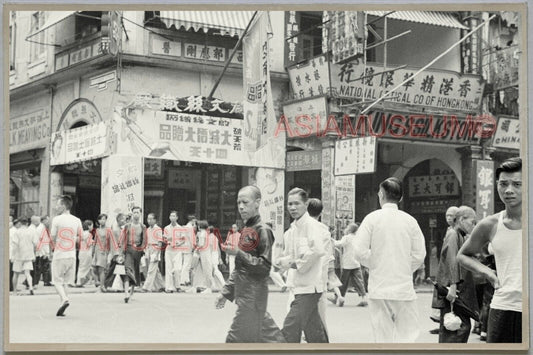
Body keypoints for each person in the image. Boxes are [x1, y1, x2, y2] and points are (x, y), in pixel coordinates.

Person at [353, 177, 426, 343]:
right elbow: (419, 254)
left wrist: (377, 263)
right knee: (407, 338)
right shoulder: (410, 221)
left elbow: (358, 251)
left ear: (381, 194)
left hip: (379, 287)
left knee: (382, 338)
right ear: (400, 198)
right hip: (404, 288)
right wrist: (404, 267)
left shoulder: (372, 218)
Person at [458, 157, 522, 343]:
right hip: (502, 307)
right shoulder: (490, 224)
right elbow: (463, 255)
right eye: (503, 184)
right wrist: (489, 273)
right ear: (496, 185)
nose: (509, 190)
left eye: (517, 184)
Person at [215, 185, 284, 343]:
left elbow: (264, 267)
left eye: (245, 202)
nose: (241, 207)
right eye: (239, 202)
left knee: (233, 341)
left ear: (257, 202)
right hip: (247, 297)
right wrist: (226, 293)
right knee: (272, 340)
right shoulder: (247, 229)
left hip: (253, 299)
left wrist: (238, 253)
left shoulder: (263, 230)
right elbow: (240, 268)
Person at [276, 188, 328, 343]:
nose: (292, 207)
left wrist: (295, 264)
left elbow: (318, 250)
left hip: (310, 288)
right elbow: (290, 255)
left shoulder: (312, 226)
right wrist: (282, 262)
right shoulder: (292, 230)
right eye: (290, 204)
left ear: (306, 204)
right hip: (297, 287)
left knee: (290, 329)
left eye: (296, 203)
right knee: (315, 334)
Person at [435, 206, 478, 343]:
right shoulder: (453, 234)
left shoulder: (459, 235)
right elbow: (452, 260)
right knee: (455, 329)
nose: (474, 225)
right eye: (472, 222)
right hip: (454, 291)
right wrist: (453, 286)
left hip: (458, 290)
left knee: (459, 328)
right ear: (461, 219)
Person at [50, 195, 83, 316]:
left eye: (58, 205)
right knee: (66, 281)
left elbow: (52, 236)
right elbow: (81, 238)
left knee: (57, 280)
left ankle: (64, 299)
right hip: (72, 254)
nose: (56, 207)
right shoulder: (77, 220)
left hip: (60, 254)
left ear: (64, 206)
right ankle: (63, 302)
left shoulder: (57, 220)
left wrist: (53, 248)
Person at [429, 206, 459, 334]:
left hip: (450, 270)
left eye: (451, 215)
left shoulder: (456, 232)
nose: (448, 218)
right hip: (444, 268)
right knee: (441, 298)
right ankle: (442, 324)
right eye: (447, 215)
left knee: (448, 299)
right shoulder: (449, 230)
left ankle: (447, 325)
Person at [332, 222, 368, 307]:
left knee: (343, 281)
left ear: (350, 229)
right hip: (356, 263)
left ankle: (340, 297)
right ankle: (364, 297)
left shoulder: (347, 237)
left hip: (347, 264)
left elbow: (339, 244)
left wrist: (331, 240)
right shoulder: (358, 238)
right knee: (359, 281)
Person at [119, 206, 146, 303]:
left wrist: (142, 249)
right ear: (132, 213)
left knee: (135, 271)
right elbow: (122, 240)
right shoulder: (127, 226)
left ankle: (131, 292)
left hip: (137, 251)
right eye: (134, 212)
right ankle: (126, 293)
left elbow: (144, 240)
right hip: (128, 250)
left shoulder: (143, 227)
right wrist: (121, 252)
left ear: (140, 214)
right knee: (127, 270)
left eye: (138, 212)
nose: (136, 214)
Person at [11, 217, 38, 295]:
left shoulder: (17, 232)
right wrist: (34, 254)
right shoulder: (31, 232)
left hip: (18, 255)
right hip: (29, 255)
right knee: (28, 273)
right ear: (27, 223)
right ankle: (30, 287)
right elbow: (35, 244)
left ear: (20, 223)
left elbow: (15, 245)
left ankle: (15, 291)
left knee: (16, 274)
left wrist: (13, 256)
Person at [142, 213, 165, 292]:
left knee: (151, 269)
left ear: (155, 220)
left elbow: (160, 242)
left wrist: (157, 253)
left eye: (151, 219)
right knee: (155, 269)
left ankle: (146, 287)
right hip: (149, 249)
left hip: (155, 248)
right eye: (148, 219)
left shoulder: (158, 229)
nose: (149, 221)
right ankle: (161, 285)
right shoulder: (148, 230)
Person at [163, 210, 183, 293]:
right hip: (169, 250)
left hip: (177, 250)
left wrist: (178, 244)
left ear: (177, 217)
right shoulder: (166, 228)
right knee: (168, 268)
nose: (172, 217)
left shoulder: (180, 228)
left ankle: (178, 285)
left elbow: (183, 240)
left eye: (174, 216)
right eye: (171, 216)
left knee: (177, 269)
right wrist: (168, 241)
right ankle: (169, 287)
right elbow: (164, 239)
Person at [93, 214, 111, 292]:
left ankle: (102, 285)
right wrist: (92, 251)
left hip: (103, 250)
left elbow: (110, 242)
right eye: (101, 219)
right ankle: (97, 281)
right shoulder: (97, 230)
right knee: (93, 268)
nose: (102, 221)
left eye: (104, 219)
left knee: (101, 269)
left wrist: (107, 252)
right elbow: (95, 241)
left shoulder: (108, 230)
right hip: (97, 250)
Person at [75, 220, 95, 287]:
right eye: (92, 225)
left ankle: (79, 281)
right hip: (87, 252)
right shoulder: (89, 234)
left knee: (81, 267)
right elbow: (89, 244)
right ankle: (80, 282)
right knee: (85, 267)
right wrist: (94, 242)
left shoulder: (81, 234)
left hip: (81, 252)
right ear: (89, 226)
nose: (92, 227)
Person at [34, 216, 52, 287]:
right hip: (42, 251)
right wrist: (45, 252)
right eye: (47, 220)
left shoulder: (42, 228)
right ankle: (44, 281)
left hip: (42, 251)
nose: (48, 221)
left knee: (43, 267)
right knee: (41, 267)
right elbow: (42, 241)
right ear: (43, 220)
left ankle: (46, 281)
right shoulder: (41, 228)